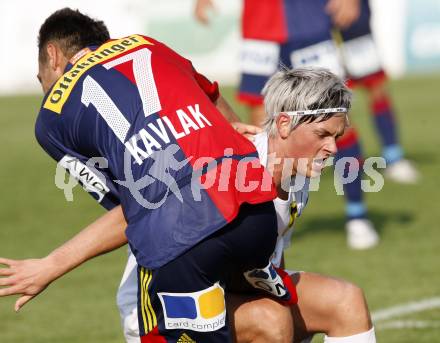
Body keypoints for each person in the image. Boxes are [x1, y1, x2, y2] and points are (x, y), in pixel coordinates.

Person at [0, 19, 377, 340]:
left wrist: (223, 128)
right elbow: (137, 208)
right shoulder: (239, 166)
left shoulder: (291, 170)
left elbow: (206, 95)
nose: (331, 149)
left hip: (228, 283)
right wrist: (50, 265)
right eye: (323, 135)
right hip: (157, 297)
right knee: (270, 321)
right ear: (283, 125)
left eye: (336, 137)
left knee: (346, 301)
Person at [194, 0, 419, 250]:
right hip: (259, 27)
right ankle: (267, 227)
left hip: (309, 25)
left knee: (334, 119)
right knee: (261, 131)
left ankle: (358, 215)